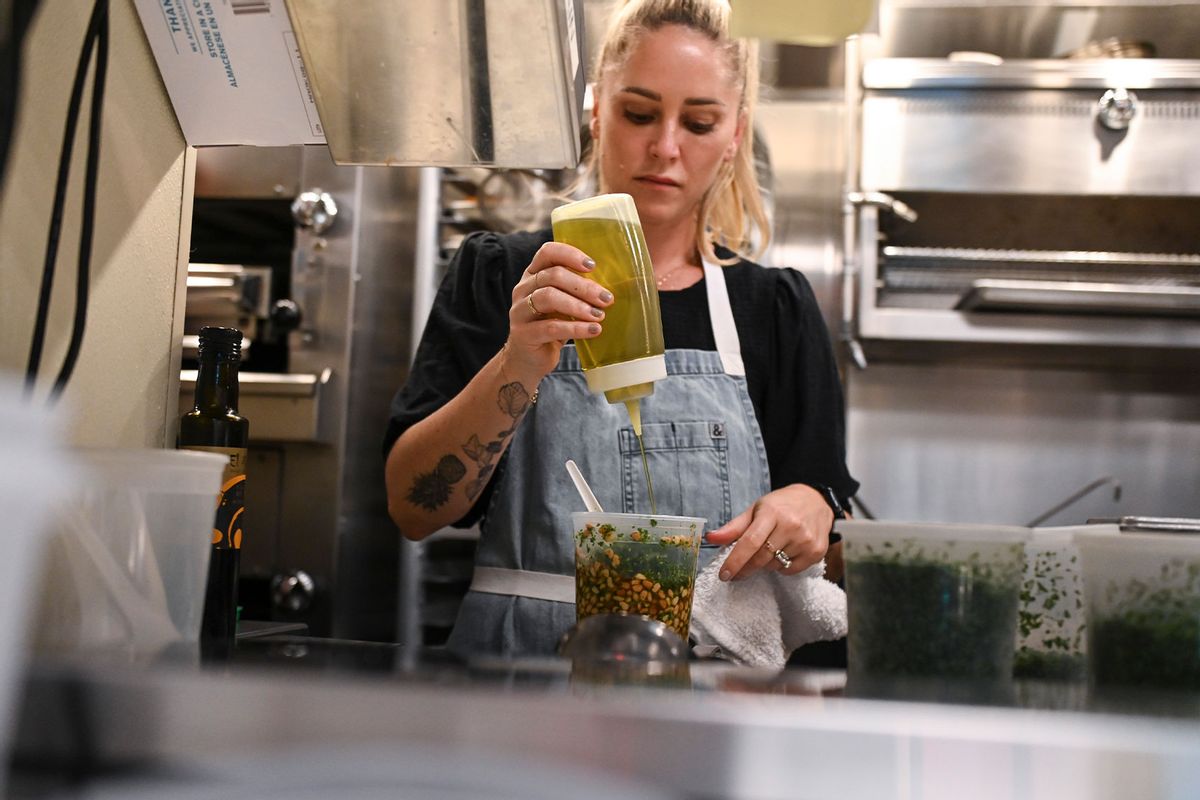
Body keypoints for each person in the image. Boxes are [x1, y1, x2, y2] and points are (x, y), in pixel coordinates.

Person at [383, 0, 858, 658]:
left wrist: (810, 510)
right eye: (639, 113)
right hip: (521, 682)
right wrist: (519, 360)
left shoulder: (772, 308)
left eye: (699, 122)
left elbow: (828, 546)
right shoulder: (503, 276)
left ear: (735, 135)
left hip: (712, 694)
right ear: (597, 109)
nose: (665, 147)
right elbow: (414, 510)